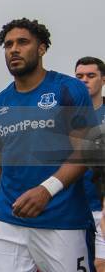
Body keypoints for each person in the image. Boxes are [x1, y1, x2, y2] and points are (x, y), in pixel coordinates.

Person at [0, 18, 95, 272]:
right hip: (7, 221)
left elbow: (84, 153)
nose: (14, 49)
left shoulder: (69, 89)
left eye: (22, 42)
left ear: (42, 48)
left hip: (62, 219)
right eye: (8, 44)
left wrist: (46, 190)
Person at [75, 56, 105, 271]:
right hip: (74, 207)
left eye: (90, 75)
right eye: (79, 76)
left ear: (103, 80)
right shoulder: (66, 116)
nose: (84, 80)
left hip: (101, 206)